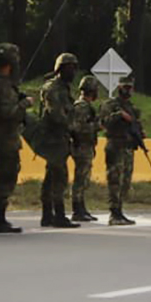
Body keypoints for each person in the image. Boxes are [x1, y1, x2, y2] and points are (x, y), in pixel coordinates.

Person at [0, 43, 32, 234]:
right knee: (6, 177)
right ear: (11, 63)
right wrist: (25, 103)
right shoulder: (4, 87)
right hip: (6, 140)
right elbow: (8, 113)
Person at [37, 53, 81, 228]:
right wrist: (72, 128)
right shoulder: (53, 88)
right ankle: (58, 215)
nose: (73, 72)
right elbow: (56, 115)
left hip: (60, 137)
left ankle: (47, 215)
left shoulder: (63, 87)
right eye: (69, 68)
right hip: (53, 138)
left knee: (51, 176)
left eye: (74, 68)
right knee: (60, 177)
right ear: (60, 69)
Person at [100, 75, 140, 226]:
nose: (128, 90)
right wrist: (119, 115)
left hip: (128, 148)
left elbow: (135, 126)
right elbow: (104, 122)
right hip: (115, 146)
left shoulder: (132, 107)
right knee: (115, 180)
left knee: (125, 182)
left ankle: (120, 211)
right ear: (119, 88)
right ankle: (114, 213)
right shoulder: (110, 104)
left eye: (130, 88)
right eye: (125, 87)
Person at [69, 75, 102, 222]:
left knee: (84, 179)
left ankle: (81, 208)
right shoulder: (81, 107)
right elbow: (78, 127)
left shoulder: (85, 106)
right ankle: (77, 209)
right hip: (81, 146)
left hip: (86, 146)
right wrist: (97, 126)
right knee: (80, 178)